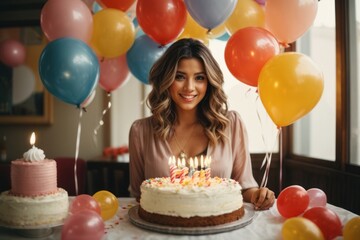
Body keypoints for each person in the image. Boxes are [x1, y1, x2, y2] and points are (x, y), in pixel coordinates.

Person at [129, 38, 275, 210]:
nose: (189, 87)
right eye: (180, 76)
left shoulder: (231, 125)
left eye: (199, 78)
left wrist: (259, 194)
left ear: (209, 82)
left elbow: (244, 188)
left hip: (220, 231)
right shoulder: (141, 131)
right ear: (166, 79)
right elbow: (140, 195)